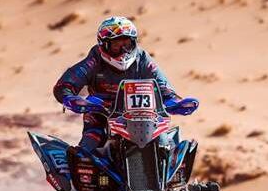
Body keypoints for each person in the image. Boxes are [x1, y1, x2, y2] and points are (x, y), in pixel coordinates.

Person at [53, 16, 196, 150]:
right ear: (104, 45)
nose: (123, 52)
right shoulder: (94, 60)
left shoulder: (143, 59)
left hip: (142, 117)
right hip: (101, 113)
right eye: (116, 45)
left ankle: (173, 175)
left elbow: (164, 87)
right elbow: (64, 84)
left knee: (165, 143)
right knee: (90, 144)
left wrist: (174, 102)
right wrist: (70, 98)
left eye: (127, 44)